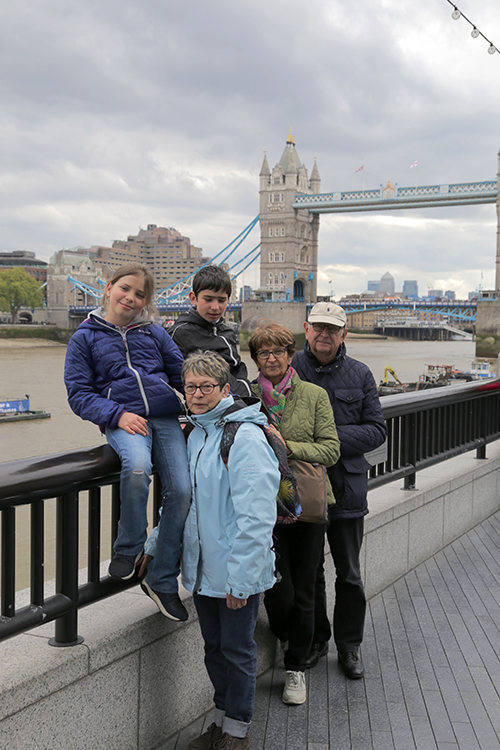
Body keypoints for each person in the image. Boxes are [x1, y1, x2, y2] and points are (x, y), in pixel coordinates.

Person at [145, 350, 279, 750]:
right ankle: (221, 724)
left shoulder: (245, 436)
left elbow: (256, 516)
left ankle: (238, 733)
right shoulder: (195, 434)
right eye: (190, 387)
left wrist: (241, 580)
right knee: (214, 651)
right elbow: (179, 500)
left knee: (237, 652)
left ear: (224, 389)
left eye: (206, 386)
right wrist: (155, 544)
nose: (198, 394)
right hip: (203, 571)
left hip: (237, 572)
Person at [64, 263, 191, 622]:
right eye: (125, 289)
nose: (131, 298)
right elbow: (78, 394)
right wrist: (116, 415)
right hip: (123, 418)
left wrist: (204, 406)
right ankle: (130, 547)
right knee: (137, 468)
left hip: (166, 418)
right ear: (108, 288)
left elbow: (180, 373)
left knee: (182, 492)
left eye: (140, 295)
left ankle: (162, 578)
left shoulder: (154, 333)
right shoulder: (84, 337)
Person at [292, 302, 387, 678]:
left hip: (346, 487)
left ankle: (350, 647)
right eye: (318, 327)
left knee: (348, 573)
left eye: (332, 329)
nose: (324, 335)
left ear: (344, 334)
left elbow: (377, 430)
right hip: (302, 489)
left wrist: (326, 438)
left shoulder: (361, 375)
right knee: (309, 573)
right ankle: (317, 639)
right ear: (306, 329)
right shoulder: (290, 369)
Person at [248, 323, 340, 706]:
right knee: (275, 589)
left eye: (278, 351)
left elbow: (331, 449)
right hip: (260, 506)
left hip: (303, 506)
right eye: (263, 353)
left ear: (291, 355)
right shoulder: (246, 396)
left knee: (304, 588)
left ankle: (296, 668)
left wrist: (289, 446)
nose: (271, 358)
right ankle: (290, 635)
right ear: (255, 359)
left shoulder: (314, 395)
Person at [167, 265, 251, 397]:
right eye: (208, 299)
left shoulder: (227, 332)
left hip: (239, 404)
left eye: (221, 300)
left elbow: (238, 370)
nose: (215, 307)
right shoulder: (179, 333)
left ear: (228, 300)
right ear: (193, 298)